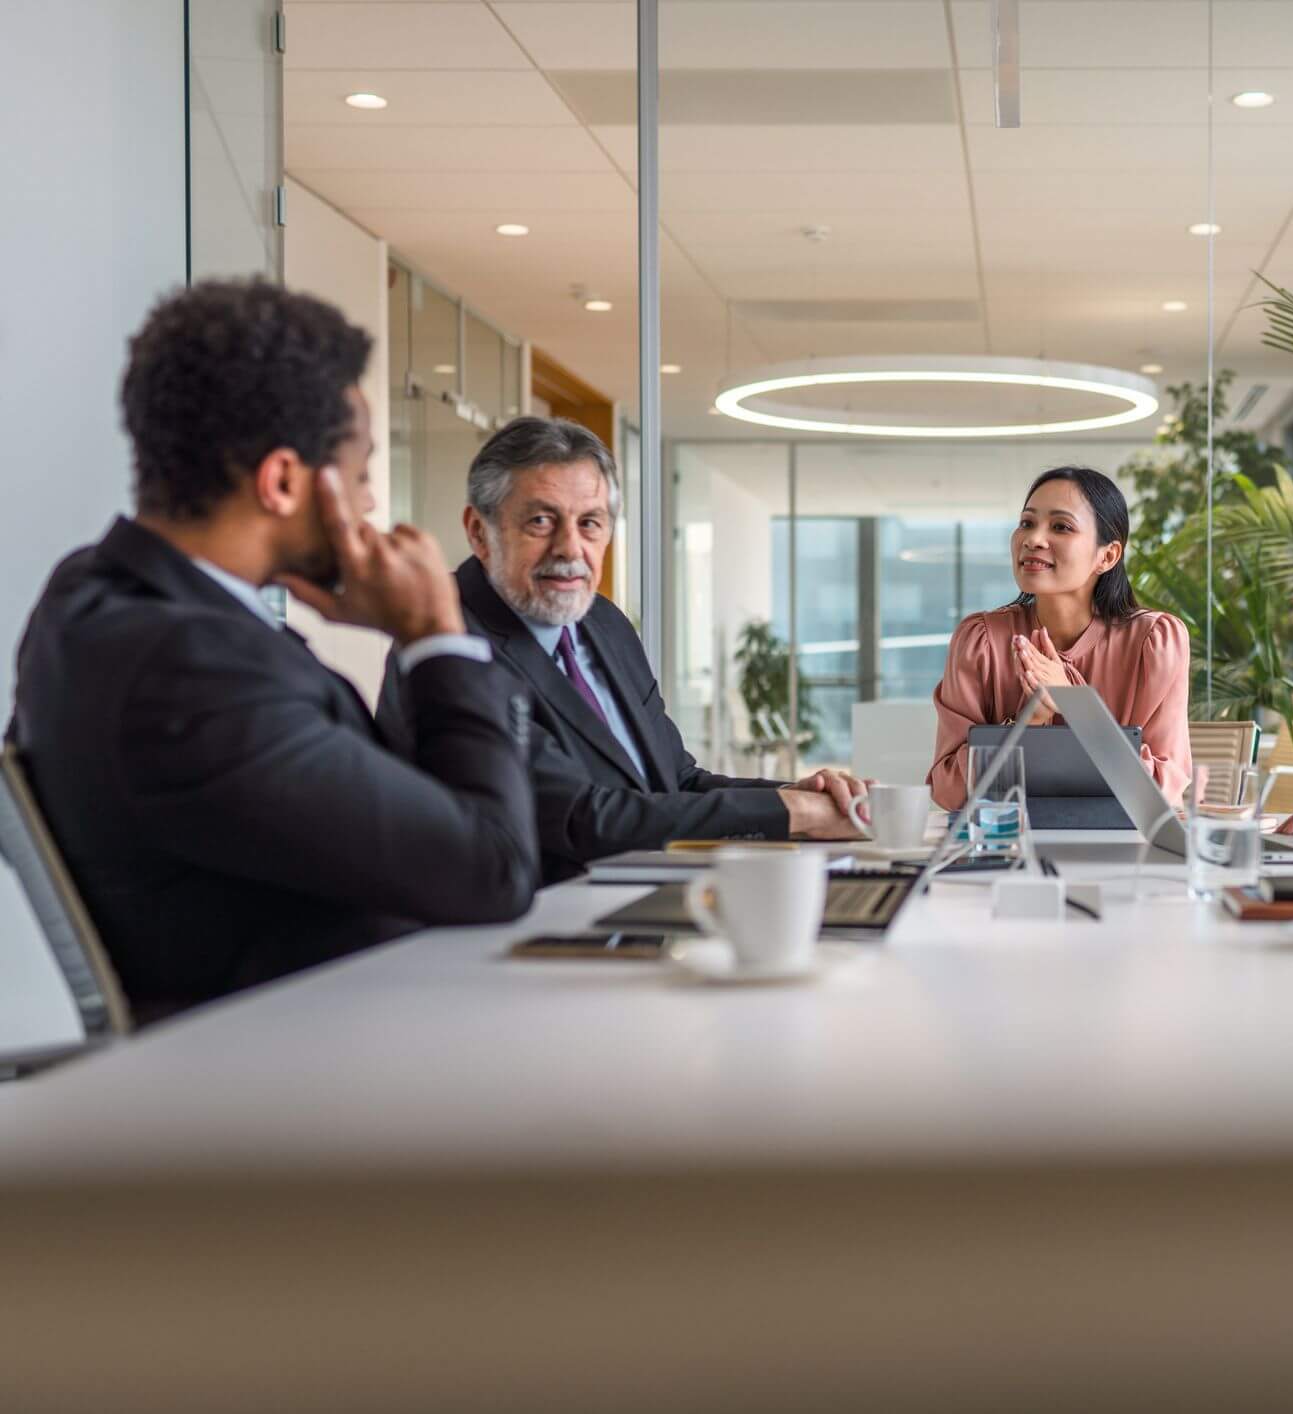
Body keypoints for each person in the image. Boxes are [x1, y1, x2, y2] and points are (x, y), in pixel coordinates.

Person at [7, 279, 540, 1017]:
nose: (368, 508)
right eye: (359, 476)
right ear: (283, 481)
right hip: (306, 1072)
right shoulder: (189, 672)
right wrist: (435, 638)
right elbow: (492, 871)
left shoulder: (94, 599)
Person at [377, 417, 871, 884]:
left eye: (590, 523)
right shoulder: (444, 640)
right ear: (479, 532)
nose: (570, 549)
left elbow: (675, 780)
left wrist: (795, 794)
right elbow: (579, 817)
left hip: (639, 901)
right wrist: (794, 816)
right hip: (519, 933)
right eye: (542, 521)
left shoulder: (604, 623)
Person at [928, 466, 1191, 810]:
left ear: (1108, 556)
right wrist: (1029, 721)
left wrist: (1076, 705)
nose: (1033, 539)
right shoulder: (980, 641)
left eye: (1061, 526)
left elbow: (1161, 793)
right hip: (1004, 851)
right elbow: (948, 790)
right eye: (1026, 522)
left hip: (1123, 854)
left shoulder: (1154, 643)